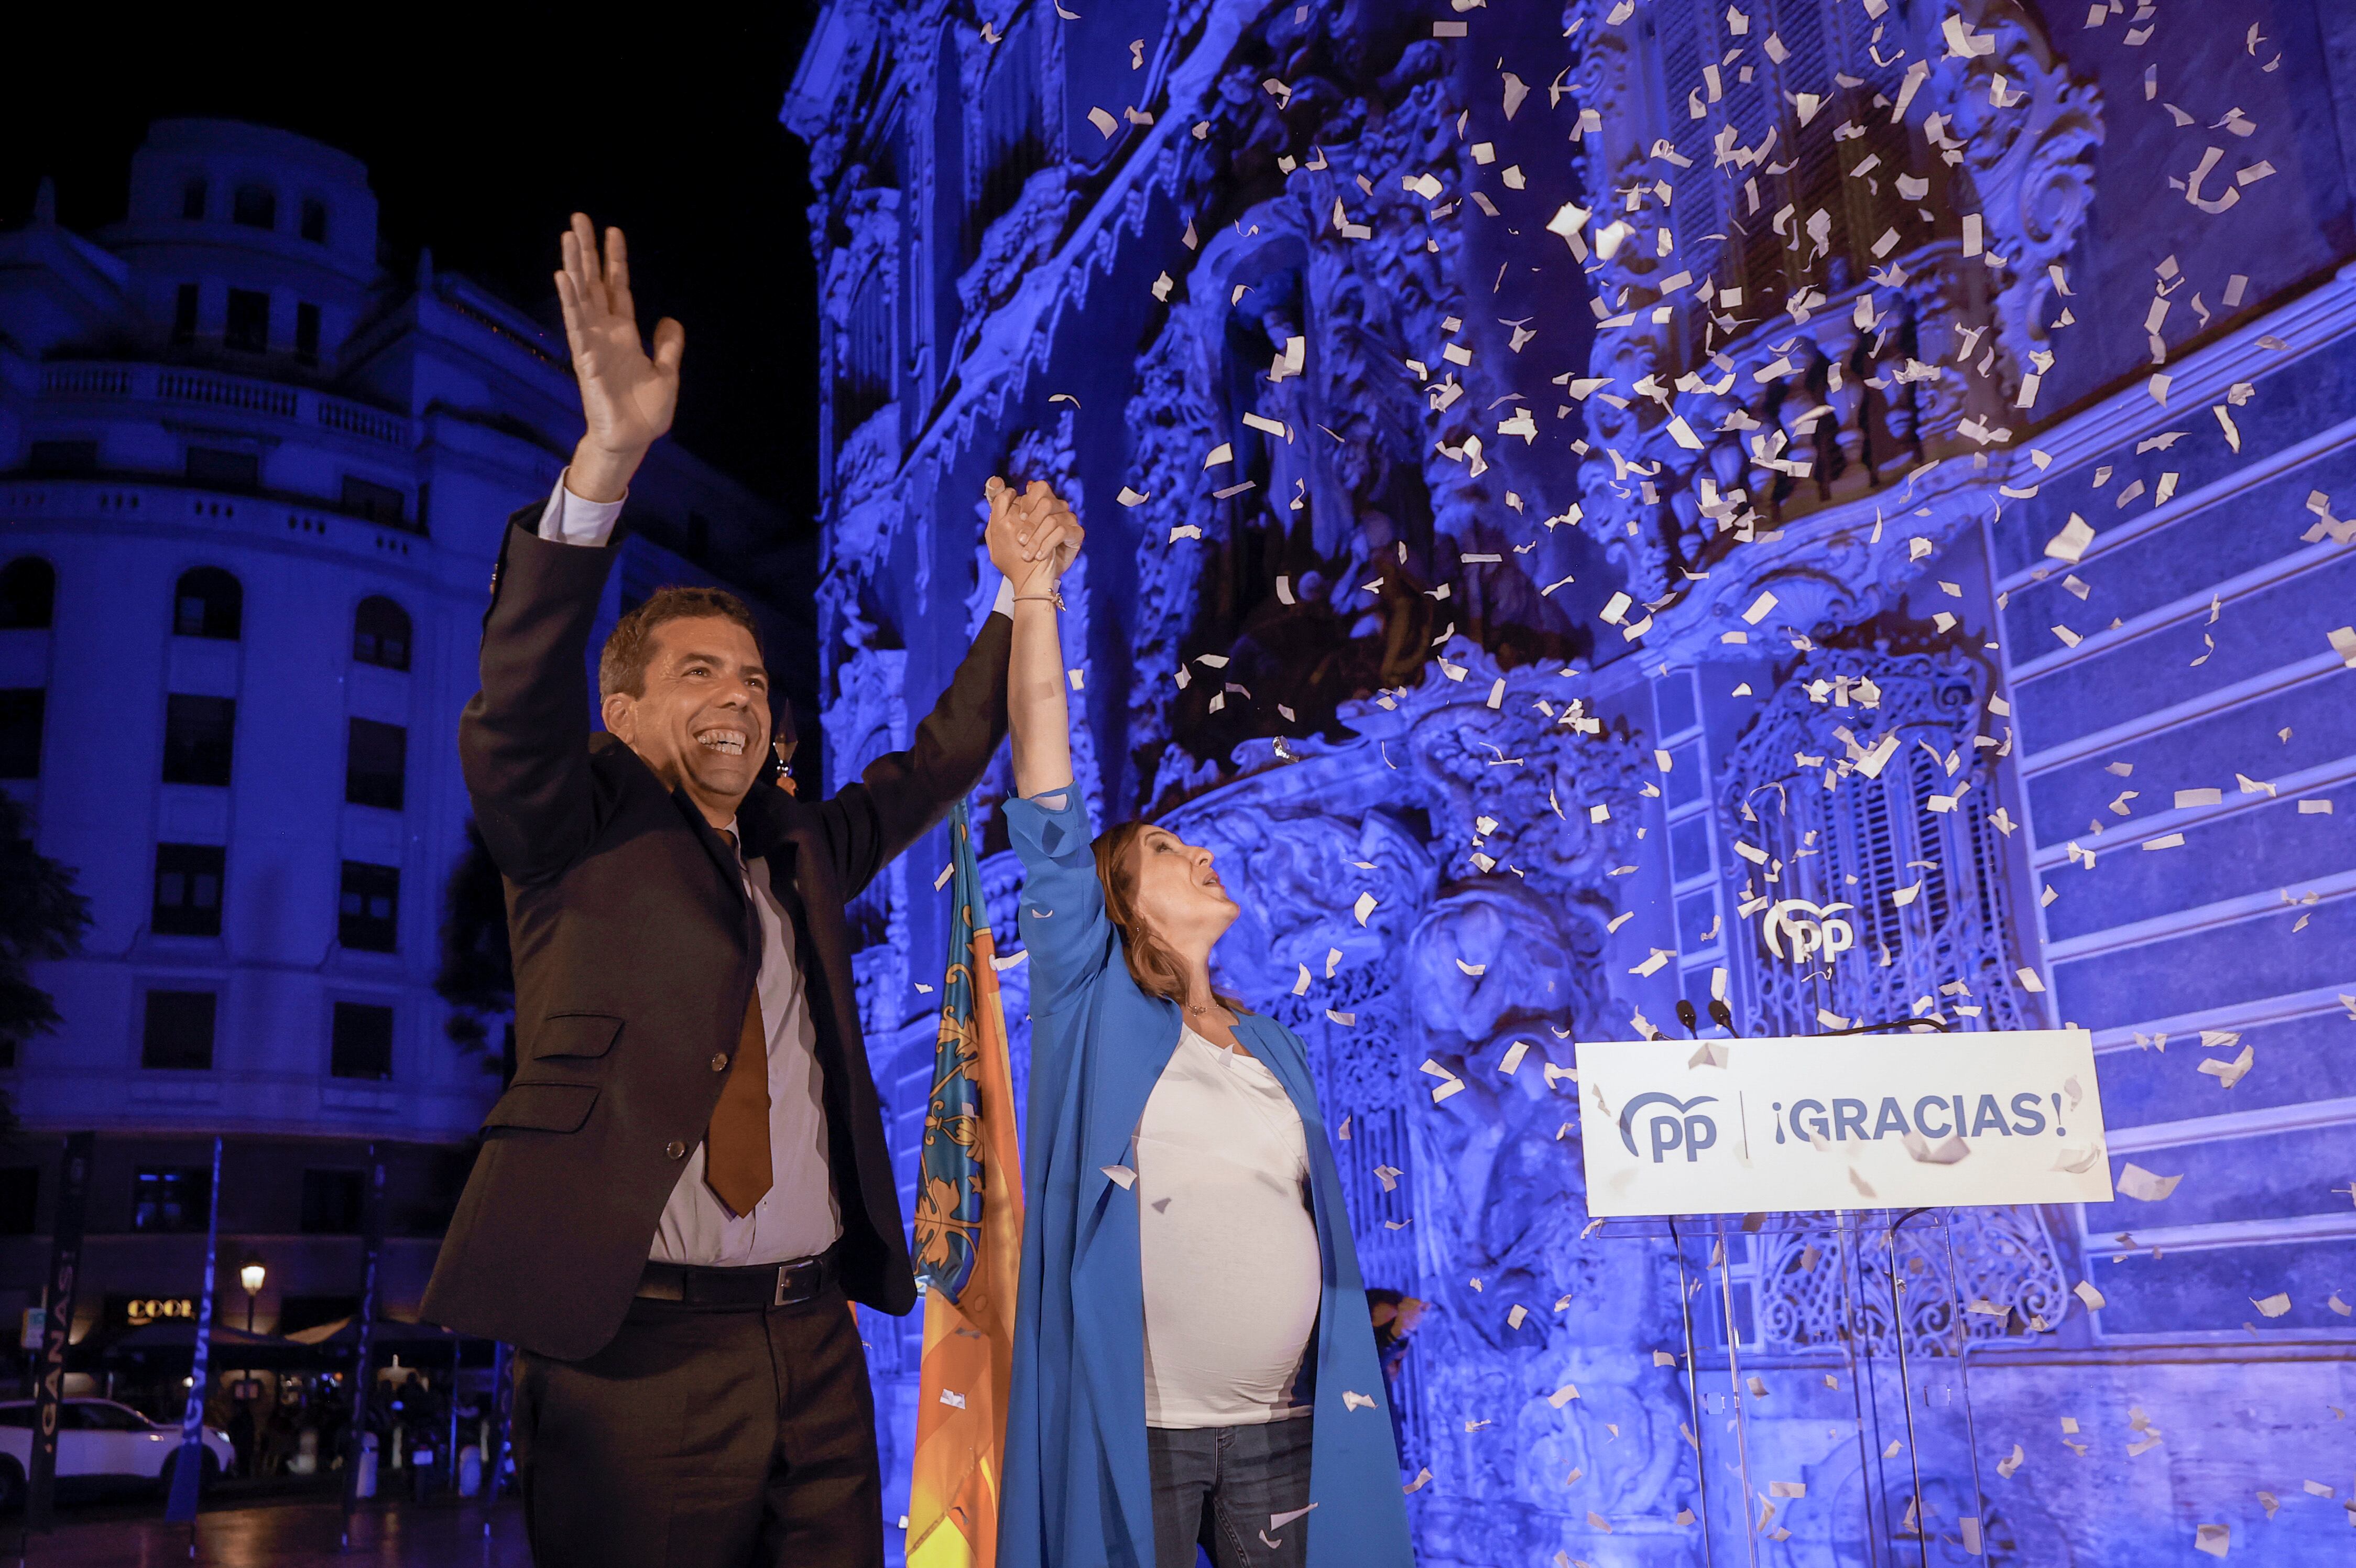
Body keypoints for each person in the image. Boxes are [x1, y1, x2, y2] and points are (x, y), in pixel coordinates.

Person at [419, 214, 1019, 1567]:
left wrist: (1018, 603)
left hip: (813, 1341)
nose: (738, 699)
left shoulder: (800, 850)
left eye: (752, 680)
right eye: (700, 675)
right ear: (624, 714)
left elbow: (935, 766)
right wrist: (610, 459)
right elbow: (516, 692)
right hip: (633, 1347)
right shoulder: (567, 826)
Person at [988, 487, 1415, 1567]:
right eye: (1167, 851)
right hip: (1145, 1434)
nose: (1199, 851)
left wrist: (1346, 1311)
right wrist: (1034, 594)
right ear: (1119, 904)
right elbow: (1046, 799)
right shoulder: (1093, 1007)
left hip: (1282, 1431)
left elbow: (1272, 1213)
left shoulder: (1270, 1044)